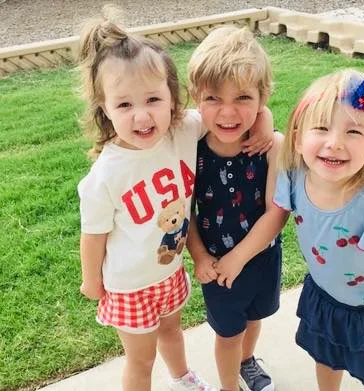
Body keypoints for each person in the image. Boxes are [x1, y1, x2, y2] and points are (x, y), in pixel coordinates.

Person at [76, 8, 273, 391]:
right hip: (128, 285)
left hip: (170, 274)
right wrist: (90, 280)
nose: (142, 116)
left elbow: (233, 113)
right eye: (124, 105)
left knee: (172, 332)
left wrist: (263, 119)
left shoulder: (183, 130)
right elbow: (93, 234)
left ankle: (183, 377)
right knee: (141, 359)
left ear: (173, 98)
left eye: (152, 99)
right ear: (105, 108)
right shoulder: (105, 175)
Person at [274, 69, 364, 390]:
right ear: (298, 138)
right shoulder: (294, 177)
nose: (335, 143)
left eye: (353, 132)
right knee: (325, 359)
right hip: (324, 298)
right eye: (322, 128)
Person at [186, 26, 288, 391]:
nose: (228, 112)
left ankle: (248, 362)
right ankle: (229, 386)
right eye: (213, 98)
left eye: (243, 97)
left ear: (262, 98)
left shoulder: (272, 146)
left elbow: (277, 211)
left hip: (261, 256)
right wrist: (199, 256)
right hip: (217, 265)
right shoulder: (190, 146)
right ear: (195, 98)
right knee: (228, 333)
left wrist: (267, 119)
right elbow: (186, 212)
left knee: (255, 318)